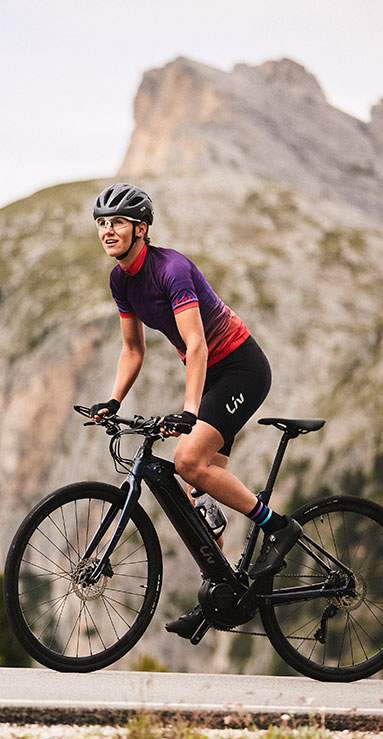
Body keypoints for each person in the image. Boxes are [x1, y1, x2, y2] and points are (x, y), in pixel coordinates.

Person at [87, 182, 301, 639]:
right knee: (198, 498)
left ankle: (279, 527)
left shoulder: (172, 269)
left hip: (239, 368)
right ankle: (223, 596)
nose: (108, 231)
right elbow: (132, 349)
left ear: (140, 229)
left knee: (187, 460)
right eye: (102, 223)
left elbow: (199, 345)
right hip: (211, 377)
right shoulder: (120, 280)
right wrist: (113, 401)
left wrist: (189, 410)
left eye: (117, 223)